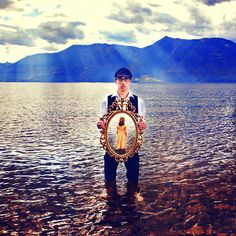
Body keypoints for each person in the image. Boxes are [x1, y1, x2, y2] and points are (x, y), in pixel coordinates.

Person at [97, 67, 147, 185]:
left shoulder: (138, 102)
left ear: (130, 81)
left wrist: (143, 125)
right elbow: (102, 121)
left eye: (126, 79)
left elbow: (141, 123)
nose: (123, 82)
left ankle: (134, 193)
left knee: (133, 176)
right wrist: (100, 124)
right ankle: (109, 193)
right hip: (111, 145)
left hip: (131, 144)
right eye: (120, 79)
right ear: (116, 81)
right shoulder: (107, 101)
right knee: (109, 175)